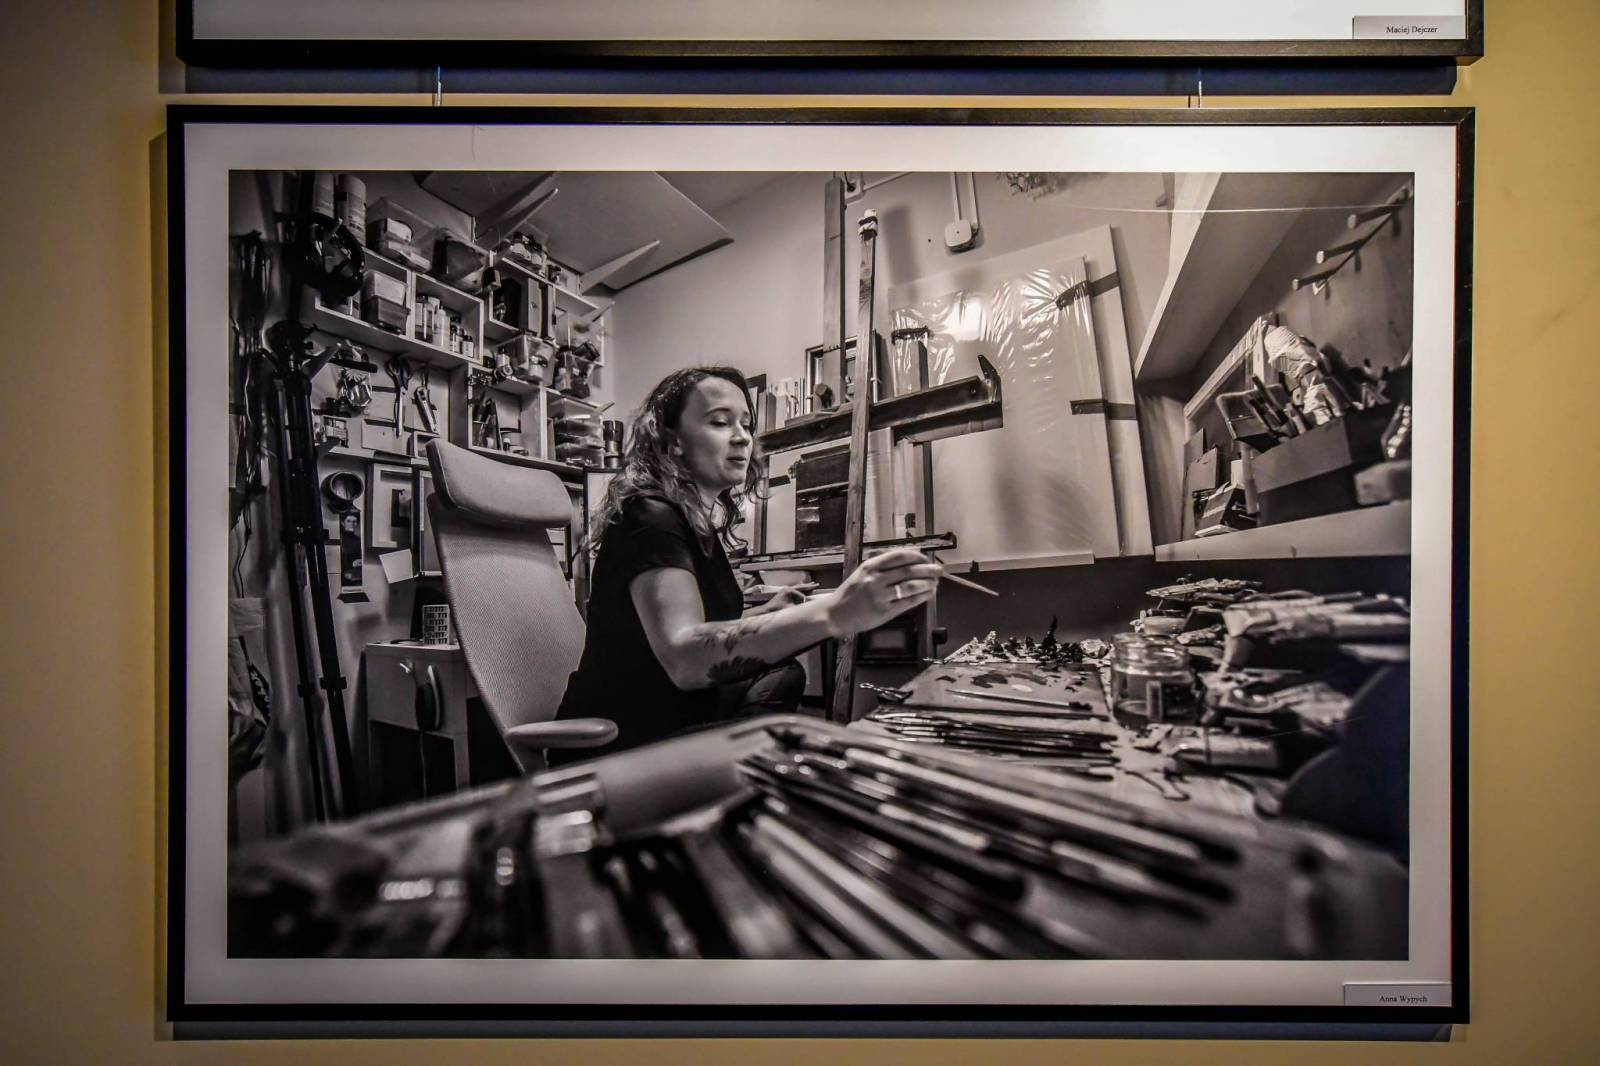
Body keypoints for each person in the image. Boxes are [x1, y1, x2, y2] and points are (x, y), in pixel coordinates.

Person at [553, 365, 941, 758]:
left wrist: (766, 614)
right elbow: (685, 658)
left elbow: (695, 629)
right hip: (623, 742)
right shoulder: (650, 517)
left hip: (674, 713)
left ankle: (746, 766)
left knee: (782, 673)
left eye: (746, 424)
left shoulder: (693, 521)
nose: (742, 437)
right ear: (673, 442)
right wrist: (835, 612)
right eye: (720, 422)